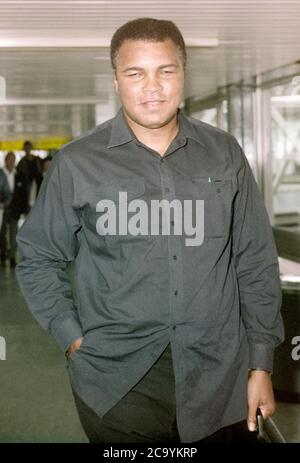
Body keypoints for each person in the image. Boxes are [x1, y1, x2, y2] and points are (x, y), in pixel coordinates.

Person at [16, 18, 284, 443]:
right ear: (116, 80)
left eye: (166, 70)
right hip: (118, 381)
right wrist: (71, 337)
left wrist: (261, 363)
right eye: (135, 73)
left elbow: (253, 260)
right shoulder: (77, 162)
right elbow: (38, 257)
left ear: (183, 75)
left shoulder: (223, 153)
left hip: (218, 377)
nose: (152, 87)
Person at [0, 151, 28, 267]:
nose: (11, 162)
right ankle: (3, 252)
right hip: (1, 209)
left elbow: (23, 194)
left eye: (13, 159)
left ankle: (12, 257)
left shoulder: (19, 175)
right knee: (2, 233)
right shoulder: (0, 174)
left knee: (14, 233)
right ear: (5, 161)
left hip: (15, 210)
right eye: (9, 159)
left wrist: (24, 209)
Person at [17, 140, 42, 214]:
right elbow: (20, 174)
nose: (27, 149)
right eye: (26, 148)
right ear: (24, 149)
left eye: (29, 147)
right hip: (27, 184)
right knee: (28, 200)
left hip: (38, 183)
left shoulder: (37, 159)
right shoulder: (21, 162)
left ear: (31, 148)